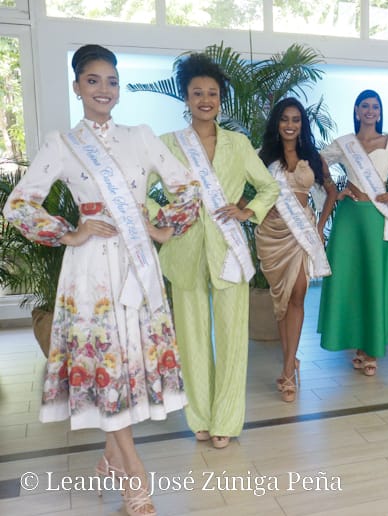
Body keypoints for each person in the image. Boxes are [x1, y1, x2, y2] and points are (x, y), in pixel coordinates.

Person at [2, 44, 200, 516]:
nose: (104, 89)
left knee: (132, 359)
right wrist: (69, 233)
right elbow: (19, 205)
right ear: (77, 87)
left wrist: (162, 227)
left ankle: (112, 456)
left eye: (111, 81)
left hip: (137, 262)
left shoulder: (142, 136)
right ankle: (134, 470)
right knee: (108, 361)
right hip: (90, 269)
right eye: (93, 80)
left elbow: (188, 186)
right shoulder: (63, 144)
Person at [153, 54, 279, 446]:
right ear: (185, 97)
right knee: (191, 339)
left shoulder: (238, 144)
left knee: (231, 338)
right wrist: (166, 217)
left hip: (228, 250)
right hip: (184, 250)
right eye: (197, 93)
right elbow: (137, 192)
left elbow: (269, 187)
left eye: (212, 93)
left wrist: (247, 211)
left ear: (221, 99)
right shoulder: (166, 145)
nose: (205, 100)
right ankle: (200, 418)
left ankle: (226, 420)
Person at [318, 89, 388, 376]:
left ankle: (371, 349)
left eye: (374, 107)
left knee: (373, 280)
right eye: (364, 106)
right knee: (351, 279)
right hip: (350, 220)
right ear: (356, 111)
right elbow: (317, 164)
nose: (369, 110)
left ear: (379, 112)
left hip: (377, 217)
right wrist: (332, 189)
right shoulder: (344, 143)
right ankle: (358, 343)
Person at [256, 98, 337, 401]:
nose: (290, 125)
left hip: (301, 231)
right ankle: (289, 358)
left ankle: (288, 369)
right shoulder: (262, 156)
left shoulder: (313, 157)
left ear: (302, 124)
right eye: (284, 119)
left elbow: (331, 192)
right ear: (276, 123)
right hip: (273, 235)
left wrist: (320, 225)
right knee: (282, 297)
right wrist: (257, 211)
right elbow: (241, 192)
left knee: (299, 293)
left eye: (296, 120)